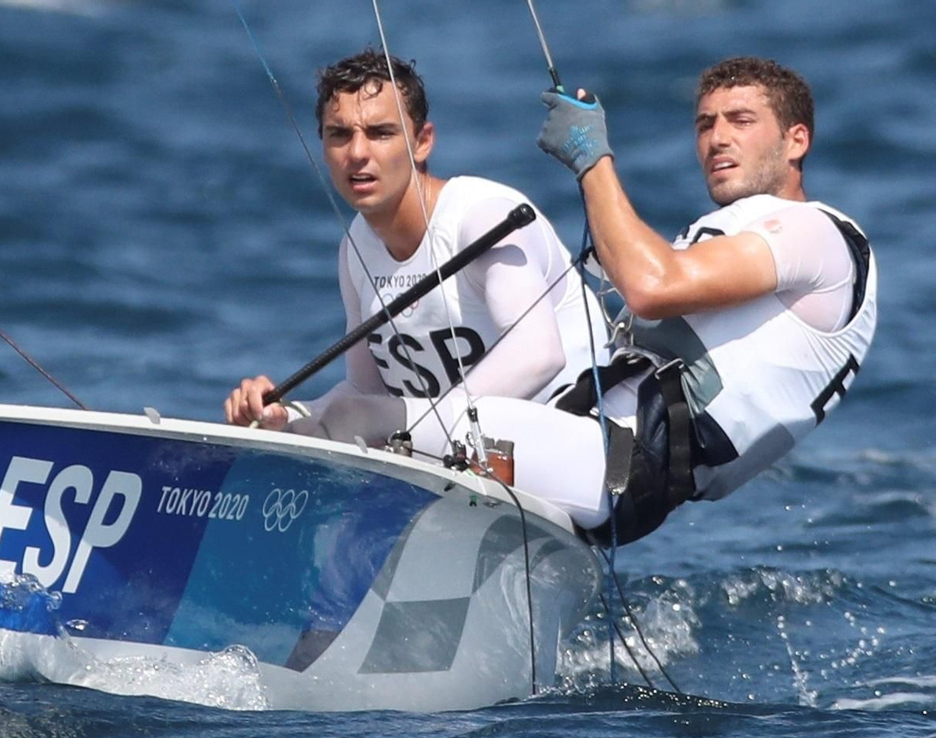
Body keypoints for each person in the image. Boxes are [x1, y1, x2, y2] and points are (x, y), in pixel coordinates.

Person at [240, 56, 877, 546]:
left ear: (797, 140)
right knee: (350, 414)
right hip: (591, 448)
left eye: (741, 122)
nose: (716, 139)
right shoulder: (730, 240)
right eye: (705, 123)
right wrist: (290, 416)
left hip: (626, 464)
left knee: (360, 418)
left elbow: (653, 287)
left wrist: (592, 160)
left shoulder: (815, 232)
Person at [224, 49, 607, 433]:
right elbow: (364, 390)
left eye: (380, 133)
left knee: (357, 423)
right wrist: (286, 417)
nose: (357, 153)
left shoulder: (482, 217)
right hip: (470, 456)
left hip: (587, 439)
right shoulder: (355, 248)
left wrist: (420, 428)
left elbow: (539, 355)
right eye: (340, 135)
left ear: (423, 142)